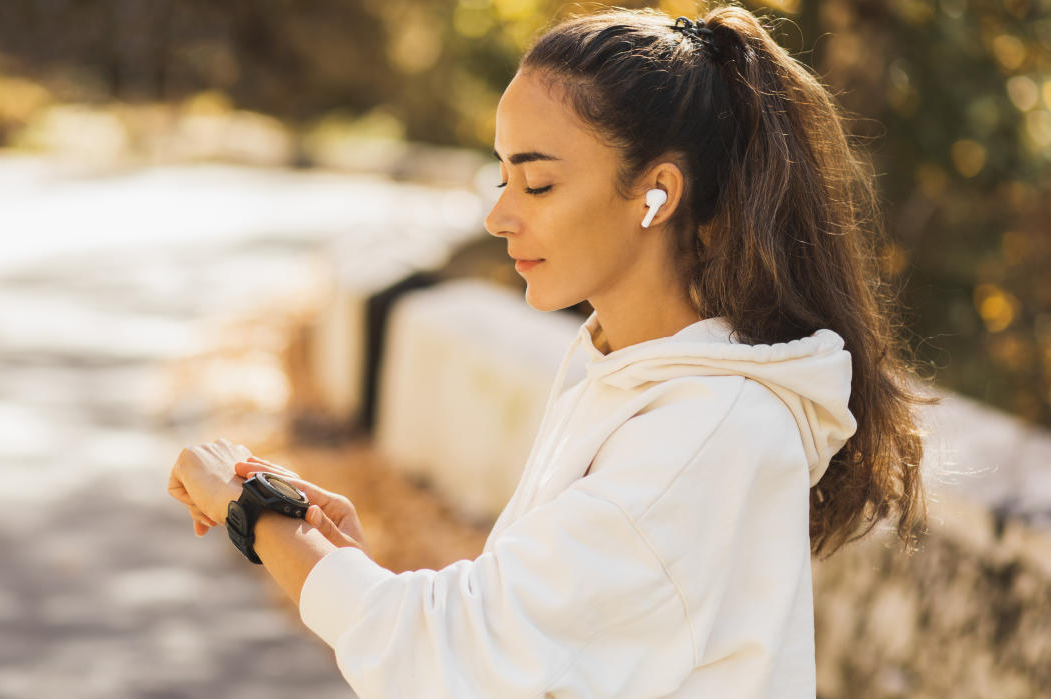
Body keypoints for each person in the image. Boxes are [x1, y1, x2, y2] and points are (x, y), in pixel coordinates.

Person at [167, 5, 932, 697]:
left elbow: (448, 653)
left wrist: (254, 509)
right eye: (501, 176)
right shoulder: (630, 375)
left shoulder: (704, 429)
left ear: (656, 193)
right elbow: (517, 647)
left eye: (535, 184)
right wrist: (345, 560)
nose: (499, 214)